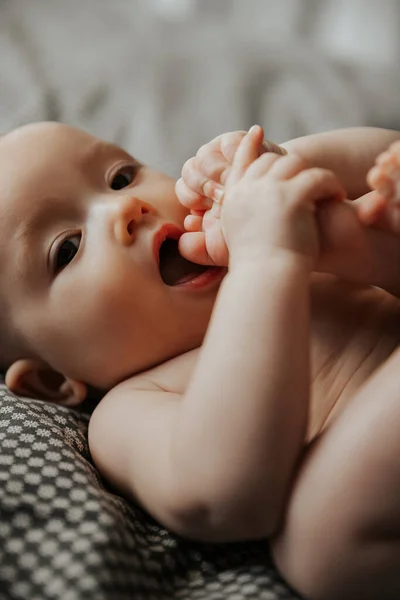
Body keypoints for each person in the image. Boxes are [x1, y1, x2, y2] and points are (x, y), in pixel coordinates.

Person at [1, 121, 400, 600]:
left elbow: (384, 158)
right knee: (322, 541)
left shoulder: (275, 231)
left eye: (122, 177)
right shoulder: (130, 409)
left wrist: (285, 167)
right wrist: (267, 260)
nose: (125, 207)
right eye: (67, 248)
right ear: (51, 380)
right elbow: (224, 498)